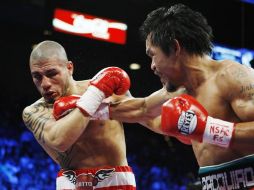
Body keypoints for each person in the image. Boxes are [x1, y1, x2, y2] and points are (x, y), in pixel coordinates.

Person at [89, 3, 254, 190]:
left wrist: (208, 129)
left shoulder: (231, 76)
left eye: (153, 55)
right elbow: (142, 109)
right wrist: (87, 106)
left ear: (175, 47)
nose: (151, 65)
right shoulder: (177, 91)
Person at [22, 40, 137, 190]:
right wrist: (96, 95)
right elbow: (59, 140)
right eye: (37, 76)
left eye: (52, 74)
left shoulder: (107, 90)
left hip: (116, 183)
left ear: (69, 68)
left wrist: (172, 91)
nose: (45, 84)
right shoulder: (34, 112)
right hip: (72, 184)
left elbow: (146, 113)